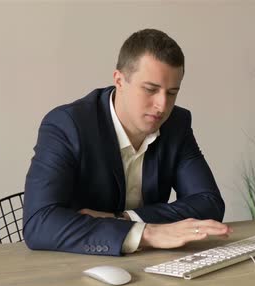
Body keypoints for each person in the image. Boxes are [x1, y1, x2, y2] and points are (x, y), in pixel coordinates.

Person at [23, 29, 231, 256]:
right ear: (119, 80)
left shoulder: (176, 124)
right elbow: (39, 223)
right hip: (76, 264)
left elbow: (208, 202)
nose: (162, 105)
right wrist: (147, 233)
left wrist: (125, 219)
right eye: (150, 89)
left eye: (172, 93)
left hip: (150, 263)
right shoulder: (67, 125)